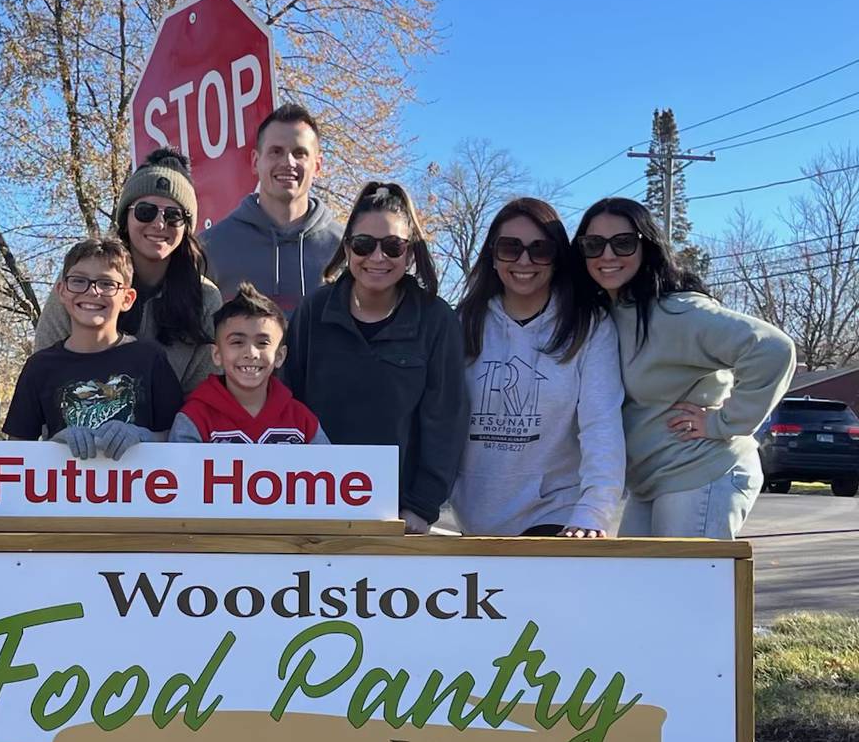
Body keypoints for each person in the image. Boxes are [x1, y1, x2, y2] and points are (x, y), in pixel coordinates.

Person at [573, 197, 795, 538]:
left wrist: (723, 422)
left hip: (701, 472)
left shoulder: (676, 312)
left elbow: (772, 348)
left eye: (623, 243)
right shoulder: (608, 314)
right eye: (593, 244)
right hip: (651, 483)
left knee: (685, 575)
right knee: (632, 574)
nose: (607, 255)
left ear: (647, 247)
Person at [283, 181, 467, 533]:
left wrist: (421, 507)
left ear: (410, 254)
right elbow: (287, 405)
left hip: (397, 515)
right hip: (313, 504)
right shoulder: (314, 311)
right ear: (348, 248)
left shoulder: (436, 320)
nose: (377, 257)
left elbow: (445, 422)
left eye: (393, 246)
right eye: (364, 245)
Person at [449, 199, 625, 537]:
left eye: (540, 249)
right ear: (492, 255)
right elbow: (437, 419)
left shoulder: (588, 326)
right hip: (474, 518)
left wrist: (593, 511)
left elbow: (601, 425)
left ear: (558, 258)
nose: (524, 260)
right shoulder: (462, 323)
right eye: (510, 248)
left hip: (555, 514)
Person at [33, 149, 221, 393]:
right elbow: (46, 370)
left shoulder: (205, 298)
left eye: (173, 215)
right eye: (145, 211)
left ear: (186, 226)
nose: (159, 224)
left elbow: (204, 394)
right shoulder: (80, 283)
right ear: (126, 217)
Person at [5, 235, 184, 458]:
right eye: (78, 281)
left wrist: (142, 436)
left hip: (142, 480)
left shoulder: (150, 359)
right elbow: (15, 452)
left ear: (127, 298)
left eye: (107, 283)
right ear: (62, 291)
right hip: (64, 481)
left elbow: (179, 438)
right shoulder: (39, 367)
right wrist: (54, 444)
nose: (92, 291)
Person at [202, 102, 345, 310]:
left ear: (317, 166)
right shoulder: (211, 247)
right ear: (255, 161)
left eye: (299, 153)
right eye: (276, 152)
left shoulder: (347, 250)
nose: (288, 162)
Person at [171, 282, 329, 444]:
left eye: (262, 343)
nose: (251, 353)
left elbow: (328, 460)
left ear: (280, 356)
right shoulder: (195, 419)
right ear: (217, 354)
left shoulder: (303, 421)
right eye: (237, 342)